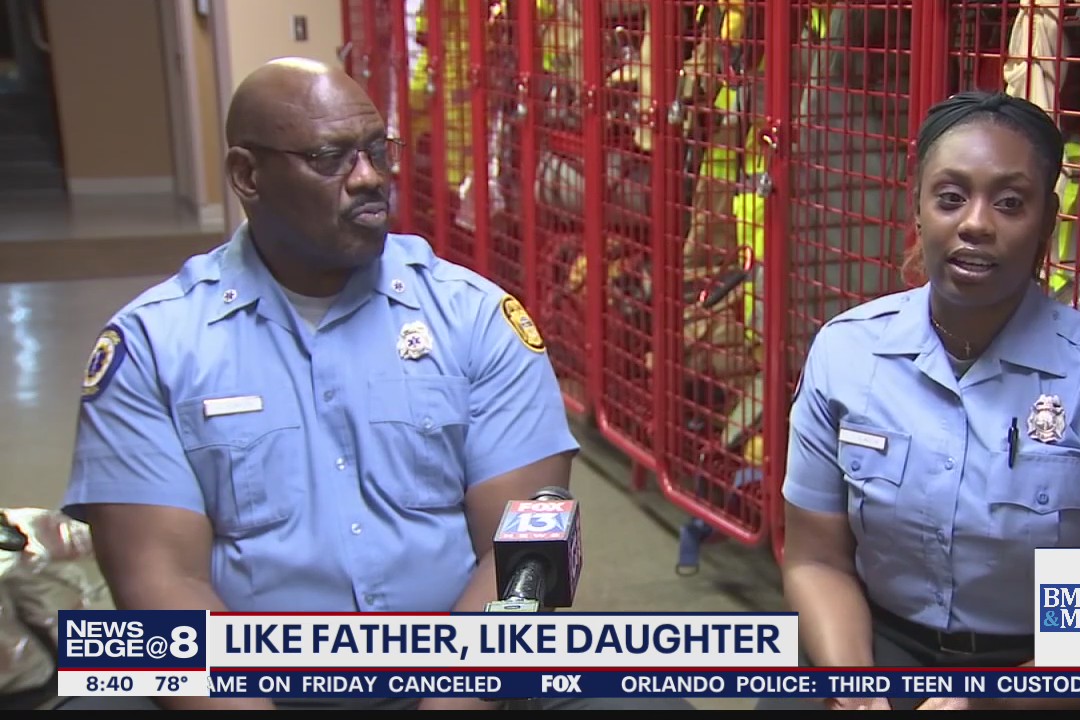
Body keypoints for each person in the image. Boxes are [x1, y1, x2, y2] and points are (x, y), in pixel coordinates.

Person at [56, 58, 693, 712]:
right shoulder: (154, 346)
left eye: (376, 149)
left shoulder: (474, 319)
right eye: (330, 158)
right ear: (248, 176)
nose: (369, 178)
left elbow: (533, 546)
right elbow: (161, 582)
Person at [757, 91, 1080, 711]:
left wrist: (996, 701)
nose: (974, 223)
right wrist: (854, 687)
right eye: (950, 197)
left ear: (1047, 220)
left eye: (1010, 202)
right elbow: (816, 561)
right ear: (916, 210)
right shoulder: (846, 354)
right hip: (883, 643)